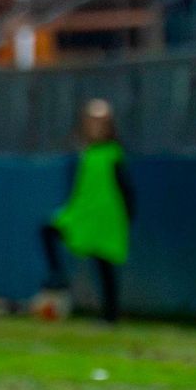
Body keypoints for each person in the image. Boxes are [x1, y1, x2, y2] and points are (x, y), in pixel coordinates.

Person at [39, 98, 134, 323]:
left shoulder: (113, 153)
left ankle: (110, 316)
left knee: (104, 263)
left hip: (105, 215)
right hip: (83, 212)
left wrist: (128, 213)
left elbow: (125, 187)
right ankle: (57, 278)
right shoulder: (87, 152)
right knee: (48, 230)